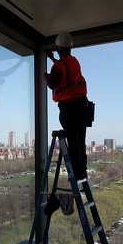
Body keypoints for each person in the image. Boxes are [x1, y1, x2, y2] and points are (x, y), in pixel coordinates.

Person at [44, 31, 88, 180]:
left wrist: (46, 78)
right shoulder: (74, 61)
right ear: (69, 48)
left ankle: (77, 172)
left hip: (69, 107)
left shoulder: (59, 66)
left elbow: (54, 82)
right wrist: (52, 59)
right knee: (80, 139)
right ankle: (82, 170)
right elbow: (63, 69)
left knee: (73, 140)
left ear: (58, 48)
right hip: (82, 105)